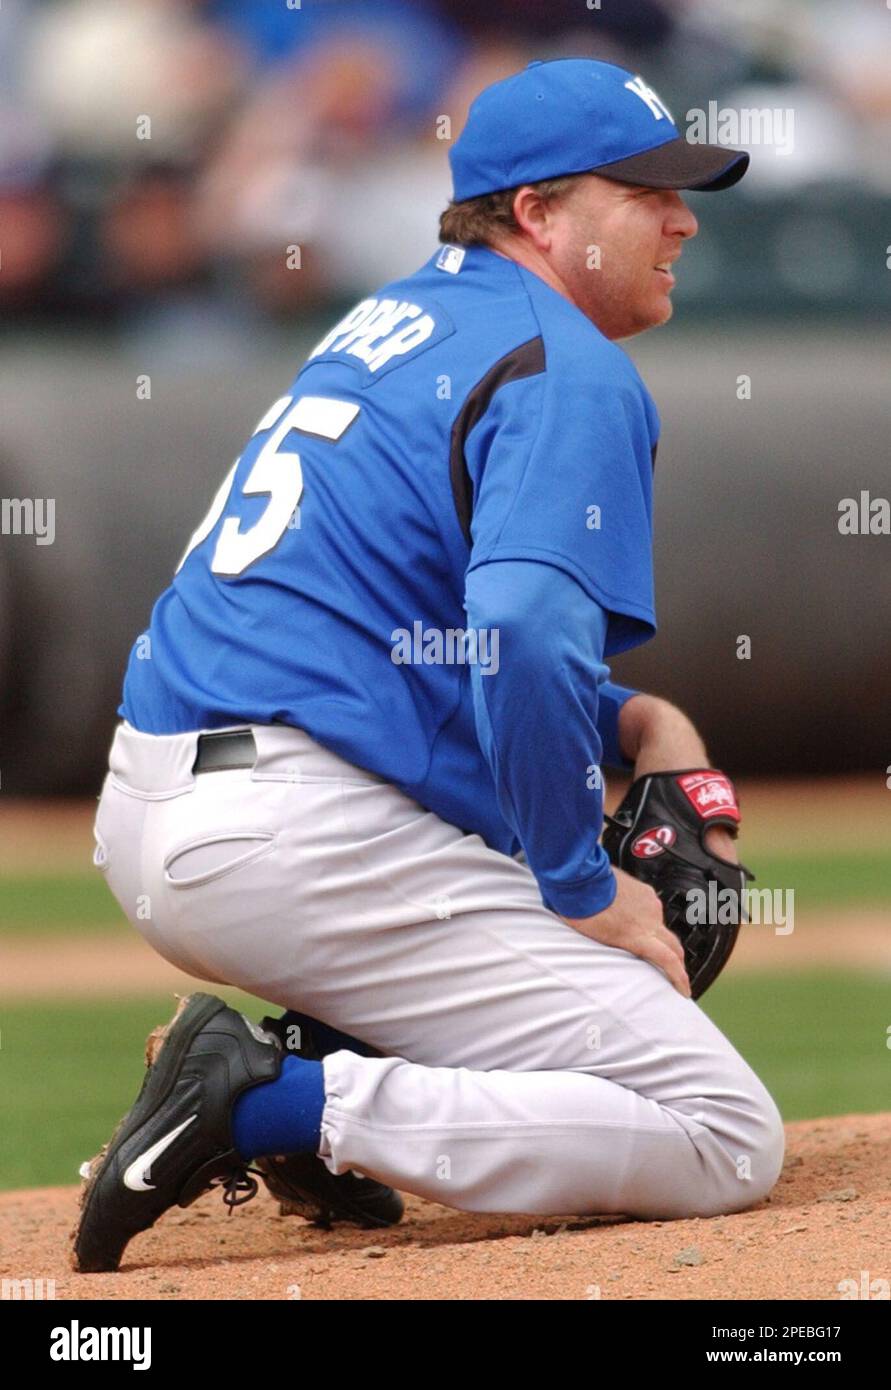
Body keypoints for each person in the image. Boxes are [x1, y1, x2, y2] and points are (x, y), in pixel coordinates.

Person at [72, 58, 784, 1275]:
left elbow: (400, 626)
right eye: (645, 191)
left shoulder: (399, 319)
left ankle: (315, 1064)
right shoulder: (562, 363)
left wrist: (640, 718)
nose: (684, 219)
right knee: (726, 1135)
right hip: (297, 834)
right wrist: (576, 883)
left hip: (167, 807)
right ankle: (273, 1099)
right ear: (539, 213)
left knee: (518, 888)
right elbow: (513, 630)